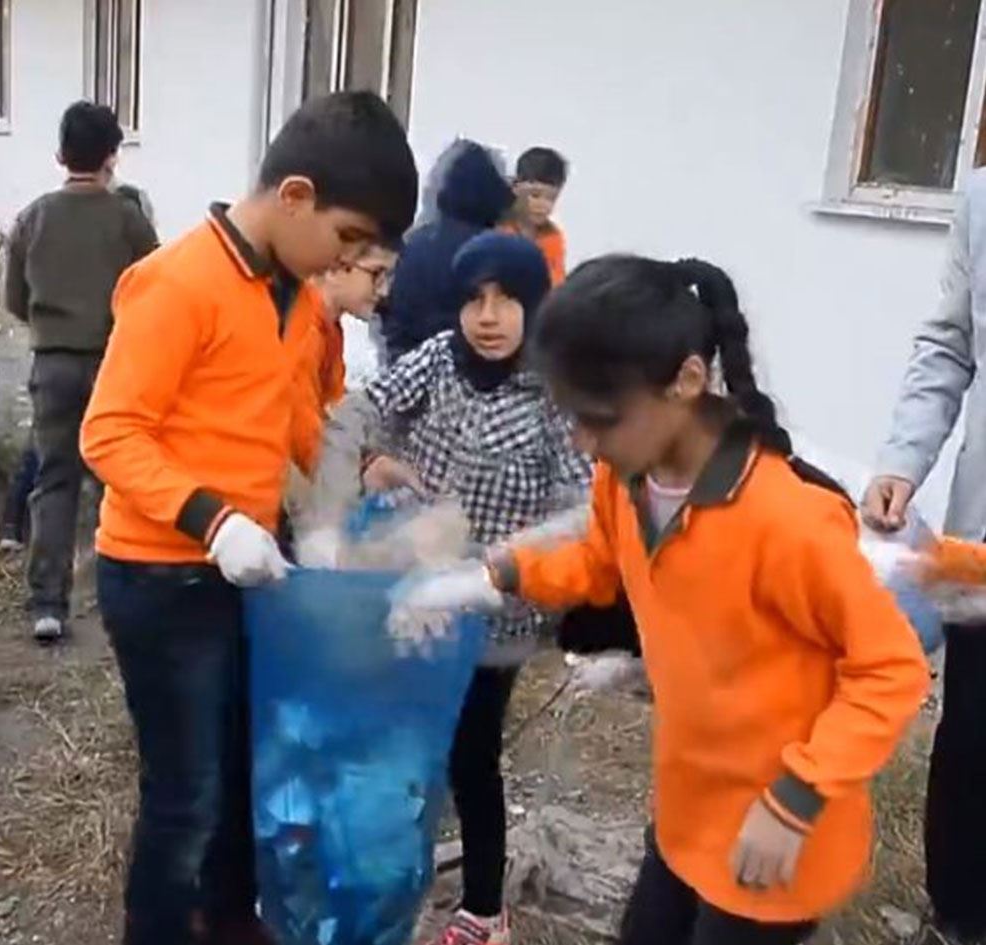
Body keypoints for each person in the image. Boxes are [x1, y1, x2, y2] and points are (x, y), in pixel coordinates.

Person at [397, 255, 931, 945]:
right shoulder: (627, 480)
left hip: (779, 835)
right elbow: (598, 560)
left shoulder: (788, 520)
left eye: (601, 418)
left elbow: (889, 669)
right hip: (688, 807)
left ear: (686, 380)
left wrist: (796, 800)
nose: (585, 442)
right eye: (572, 419)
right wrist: (489, 577)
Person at [80, 89, 417, 945]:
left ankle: (230, 920)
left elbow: (295, 416)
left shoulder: (296, 300)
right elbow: (110, 432)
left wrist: (355, 469)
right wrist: (214, 520)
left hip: (251, 569)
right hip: (162, 576)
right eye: (347, 240)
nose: (344, 262)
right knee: (184, 790)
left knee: (240, 768)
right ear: (295, 195)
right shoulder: (177, 282)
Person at [314, 233, 589, 945]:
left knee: (470, 753)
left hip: (496, 615)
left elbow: (581, 513)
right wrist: (366, 465)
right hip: (409, 590)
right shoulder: (436, 359)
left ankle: (483, 909)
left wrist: (506, 570)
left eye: (506, 300)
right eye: (474, 299)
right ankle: (380, 874)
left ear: (535, 306)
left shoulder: (556, 392)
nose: (488, 316)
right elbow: (360, 411)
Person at [861, 169, 986, 945]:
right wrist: (903, 459)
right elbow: (949, 343)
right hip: (982, 538)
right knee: (974, 730)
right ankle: (960, 916)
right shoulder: (981, 199)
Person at [4, 101, 159, 644]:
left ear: (60, 155)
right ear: (113, 157)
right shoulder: (129, 219)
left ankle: (49, 604)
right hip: (115, 363)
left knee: (54, 480)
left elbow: (14, 299)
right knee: (123, 478)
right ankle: (130, 594)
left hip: (52, 366)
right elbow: (155, 291)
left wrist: (51, 330)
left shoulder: (32, 218)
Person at [381, 139, 514, 363]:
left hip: (407, 368)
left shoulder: (414, 243)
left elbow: (391, 313)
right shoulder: (496, 253)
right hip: (466, 373)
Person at [310, 241, 397, 402]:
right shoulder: (303, 334)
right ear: (335, 268)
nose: (384, 291)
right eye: (377, 273)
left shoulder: (331, 329)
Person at [505, 147, 569, 285]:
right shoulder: (497, 233)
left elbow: (558, 287)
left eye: (551, 198)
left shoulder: (553, 237)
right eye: (535, 195)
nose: (543, 205)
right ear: (516, 187)